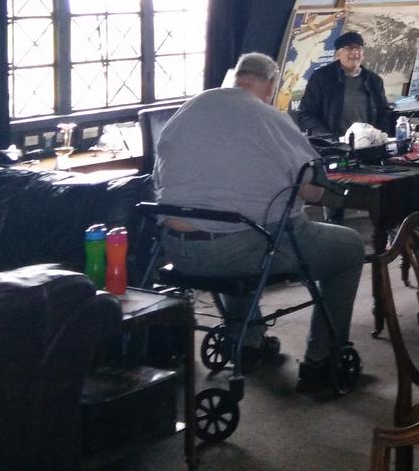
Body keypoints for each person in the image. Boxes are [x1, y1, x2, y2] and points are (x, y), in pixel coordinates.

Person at [153, 52, 364, 395]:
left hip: (177, 250)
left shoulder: (189, 110)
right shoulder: (269, 118)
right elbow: (311, 192)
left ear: (237, 77)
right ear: (270, 84)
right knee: (349, 248)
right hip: (239, 248)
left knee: (246, 230)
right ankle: (321, 361)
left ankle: (247, 342)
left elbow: (163, 176)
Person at [295, 30, 392, 138]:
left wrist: (380, 135)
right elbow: (306, 114)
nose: (355, 52)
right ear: (338, 54)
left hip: (367, 144)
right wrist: (328, 139)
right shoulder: (322, 77)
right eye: (349, 48)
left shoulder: (374, 80)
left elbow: (385, 113)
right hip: (334, 146)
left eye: (359, 48)